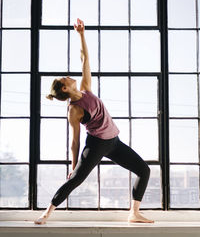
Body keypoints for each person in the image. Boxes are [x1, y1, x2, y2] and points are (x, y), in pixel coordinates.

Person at [34, 18, 154, 225]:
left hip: (114, 142)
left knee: (144, 170)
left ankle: (134, 213)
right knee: (76, 179)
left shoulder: (85, 89)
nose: (68, 76)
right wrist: (73, 165)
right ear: (64, 89)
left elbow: (85, 60)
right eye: (64, 79)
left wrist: (81, 34)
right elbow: (75, 141)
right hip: (97, 144)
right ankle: (46, 213)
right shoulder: (74, 110)